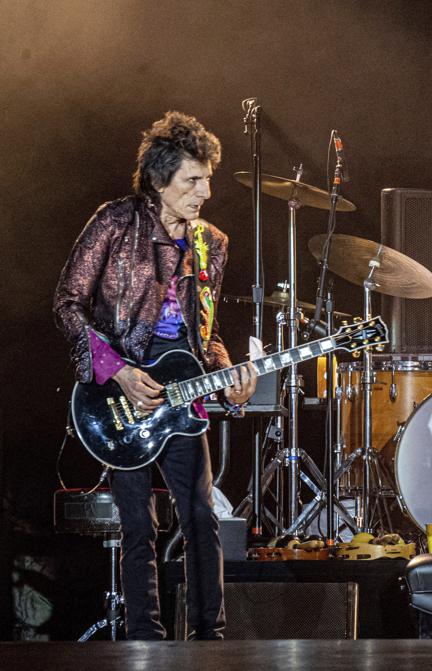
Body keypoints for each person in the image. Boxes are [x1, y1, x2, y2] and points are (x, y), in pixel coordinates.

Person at [53, 111, 257, 640]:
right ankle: (144, 641)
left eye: (207, 178)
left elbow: (204, 333)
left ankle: (209, 638)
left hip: (183, 392)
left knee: (201, 519)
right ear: (159, 178)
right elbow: (67, 304)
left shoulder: (212, 241)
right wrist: (116, 370)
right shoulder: (115, 222)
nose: (205, 191)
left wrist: (227, 371)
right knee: (139, 525)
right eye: (193, 179)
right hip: (122, 392)